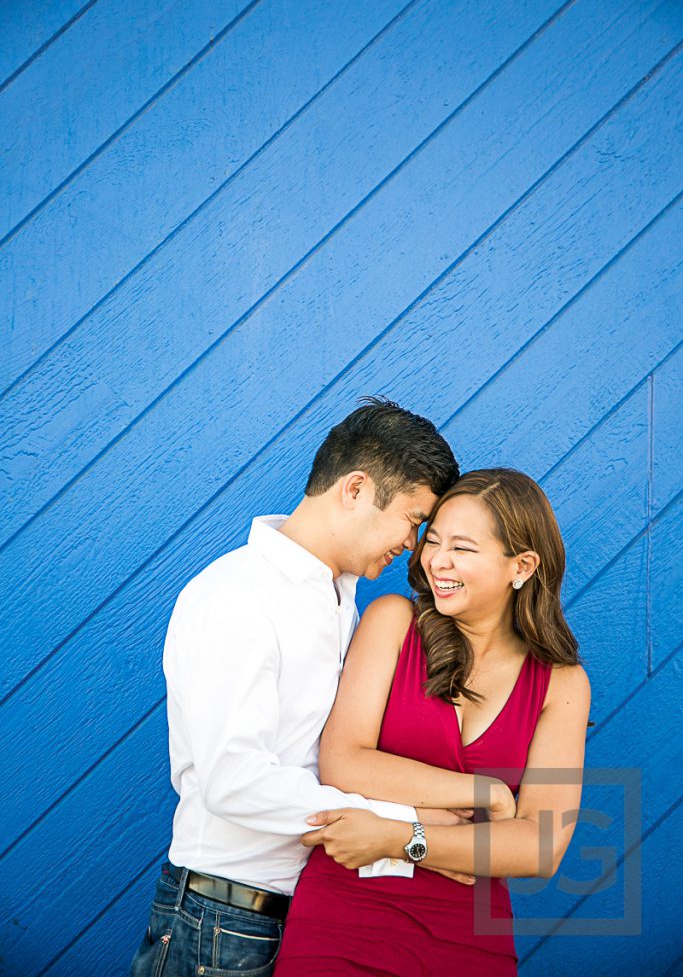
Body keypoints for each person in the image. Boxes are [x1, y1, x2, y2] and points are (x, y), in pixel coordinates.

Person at [128, 398, 461, 977]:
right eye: (412, 518)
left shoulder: (341, 600)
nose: (413, 542)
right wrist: (402, 823)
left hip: (307, 918)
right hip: (221, 923)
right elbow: (234, 780)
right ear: (355, 489)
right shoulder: (237, 596)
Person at [275, 468, 591, 976]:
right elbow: (343, 761)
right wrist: (482, 792)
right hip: (346, 912)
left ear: (522, 565)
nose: (435, 561)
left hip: (469, 934)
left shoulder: (561, 684)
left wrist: (402, 836)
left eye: (462, 548)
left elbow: (541, 844)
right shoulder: (394, 621)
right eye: (433, 540)